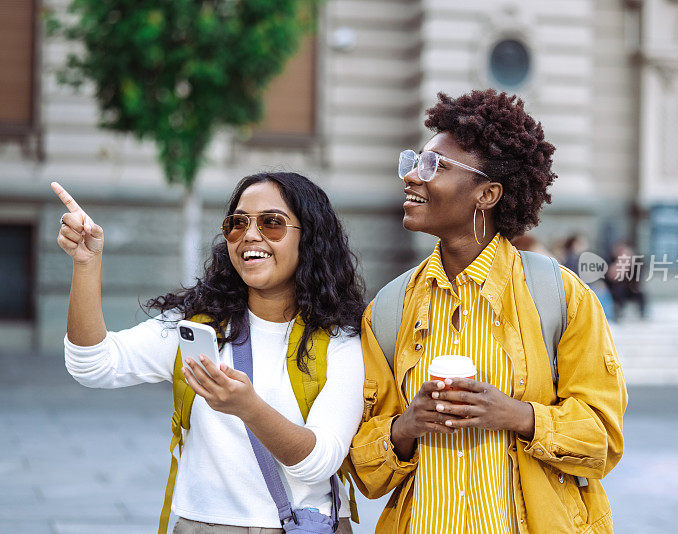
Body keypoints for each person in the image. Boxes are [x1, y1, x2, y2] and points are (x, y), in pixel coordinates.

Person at [347, 90, 627, 533]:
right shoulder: (388, 309)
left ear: (488, 193)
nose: (413, 178)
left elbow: (603, 441)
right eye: (415, 162)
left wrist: (517, 415)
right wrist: (405, 427)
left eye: (434, 166)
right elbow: (364, 469)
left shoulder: (560, 296)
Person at [52, 172, 365, 534]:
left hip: (307, 525)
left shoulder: (340, 340)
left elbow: (318, 461)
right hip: (205, 524)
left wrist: (248, 407)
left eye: (272, 223)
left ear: (309, 237)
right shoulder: (200, 324)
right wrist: (86, 263)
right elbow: (93, 365)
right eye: (237, 223)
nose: (249, 235)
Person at [606, 242, 647, 320]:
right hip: (616, 288)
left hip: (630, 289)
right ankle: (618, 312)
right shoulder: (612, 262)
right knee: (619, 291)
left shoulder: (635, 264)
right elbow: (611, 277)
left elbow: (637, 279)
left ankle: (643, 313)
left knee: (641, 295)